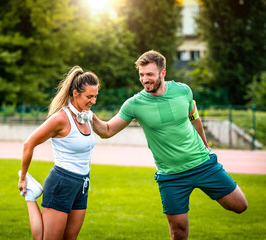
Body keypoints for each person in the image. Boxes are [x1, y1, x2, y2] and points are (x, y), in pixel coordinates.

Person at [92, 50, 247, 240]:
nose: (144, 79)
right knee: (178, 232)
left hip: (203, 165)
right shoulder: (134, 104)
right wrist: (88, 114)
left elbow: (194, 118)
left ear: (162, 73)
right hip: (171, 177)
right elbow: (107, 130)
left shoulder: (183, 91)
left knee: (240, 205)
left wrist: (206, 147)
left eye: (149, 74)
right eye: (141, 74)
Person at [18, 66, 99, 240]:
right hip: (61, 182)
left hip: (82, 184)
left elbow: (106, 130)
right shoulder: (60, 118)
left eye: (95, 96)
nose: (93, 101)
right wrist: (23, 176)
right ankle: (30, 196)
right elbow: (29, 144)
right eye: (89, 97)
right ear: (75, 93)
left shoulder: (86, 115)